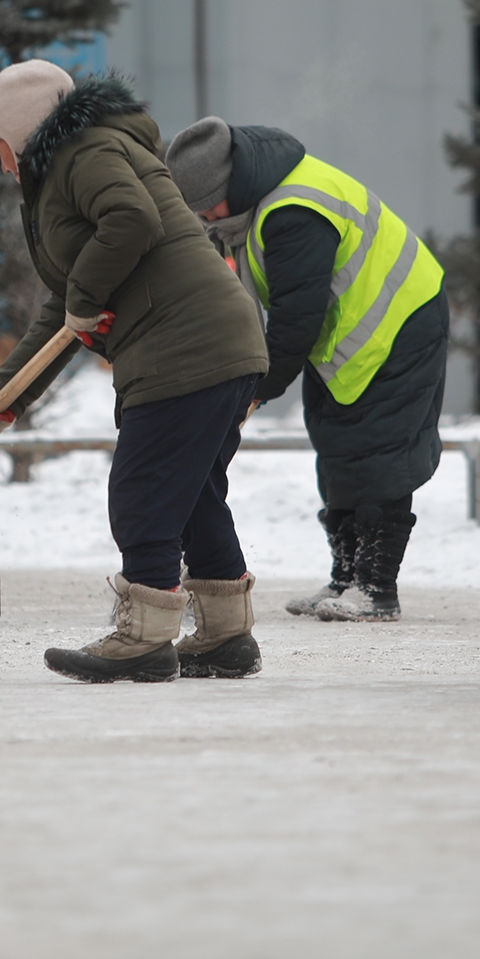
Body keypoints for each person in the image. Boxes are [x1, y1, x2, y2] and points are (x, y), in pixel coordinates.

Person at [0, 61, 269, 683]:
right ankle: (225, 636)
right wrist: (4, 398)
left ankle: (145, 639)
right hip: (217, 339)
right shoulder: (80, 162)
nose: (1, 164)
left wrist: (84, 296)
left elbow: (132, 219)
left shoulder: (83, 151)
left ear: (20, 130)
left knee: (144, 491)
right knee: (192, 495)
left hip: (184, 343)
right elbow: (66, 307)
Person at [166, 118, 448, 623]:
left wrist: (257, 389)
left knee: (380, 449)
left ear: (232, 184)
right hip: (344, 332)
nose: (205, 216)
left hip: (399, 318)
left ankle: (376, 587)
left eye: (209, 204)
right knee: (336, 443)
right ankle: (345, 577)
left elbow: (296, 319)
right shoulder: (247, 213)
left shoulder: (291, 211)